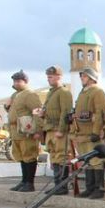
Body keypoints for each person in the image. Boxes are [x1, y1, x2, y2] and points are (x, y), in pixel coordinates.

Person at [70, 68, 105, 199]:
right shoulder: (82, 93)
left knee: (96, 161)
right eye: (81, 76)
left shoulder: (97, 92)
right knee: (87, 161)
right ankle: (90, 187)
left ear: (92, 78)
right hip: (82, 133)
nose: (82, 78)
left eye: (85, 77)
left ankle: (99, 189)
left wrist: (96, 131)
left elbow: (100, 113)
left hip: (91, 133)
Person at [35, 66, 74, 195]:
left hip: (58, 129)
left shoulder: (64, 92)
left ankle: (62, 186)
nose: (48, 79)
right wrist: (42, 113)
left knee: (61, 156)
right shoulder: (51, 92)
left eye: (51, 77)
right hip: (50, 128)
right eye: (48, 77)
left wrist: (62, 130)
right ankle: (57, 185)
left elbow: (65, 112)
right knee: (54, 157)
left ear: (59, 76)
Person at [7, 70, 43, 192]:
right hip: (16, 130)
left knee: (29, 155)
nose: (16, 83)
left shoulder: (30, 94)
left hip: (27, 130)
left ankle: (29, 183)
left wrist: (38, 130)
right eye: (14, 81)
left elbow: (37, 112)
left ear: (25, 81)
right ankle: (24, 181)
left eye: (18, 81)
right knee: (21, 156)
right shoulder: (15, 95)